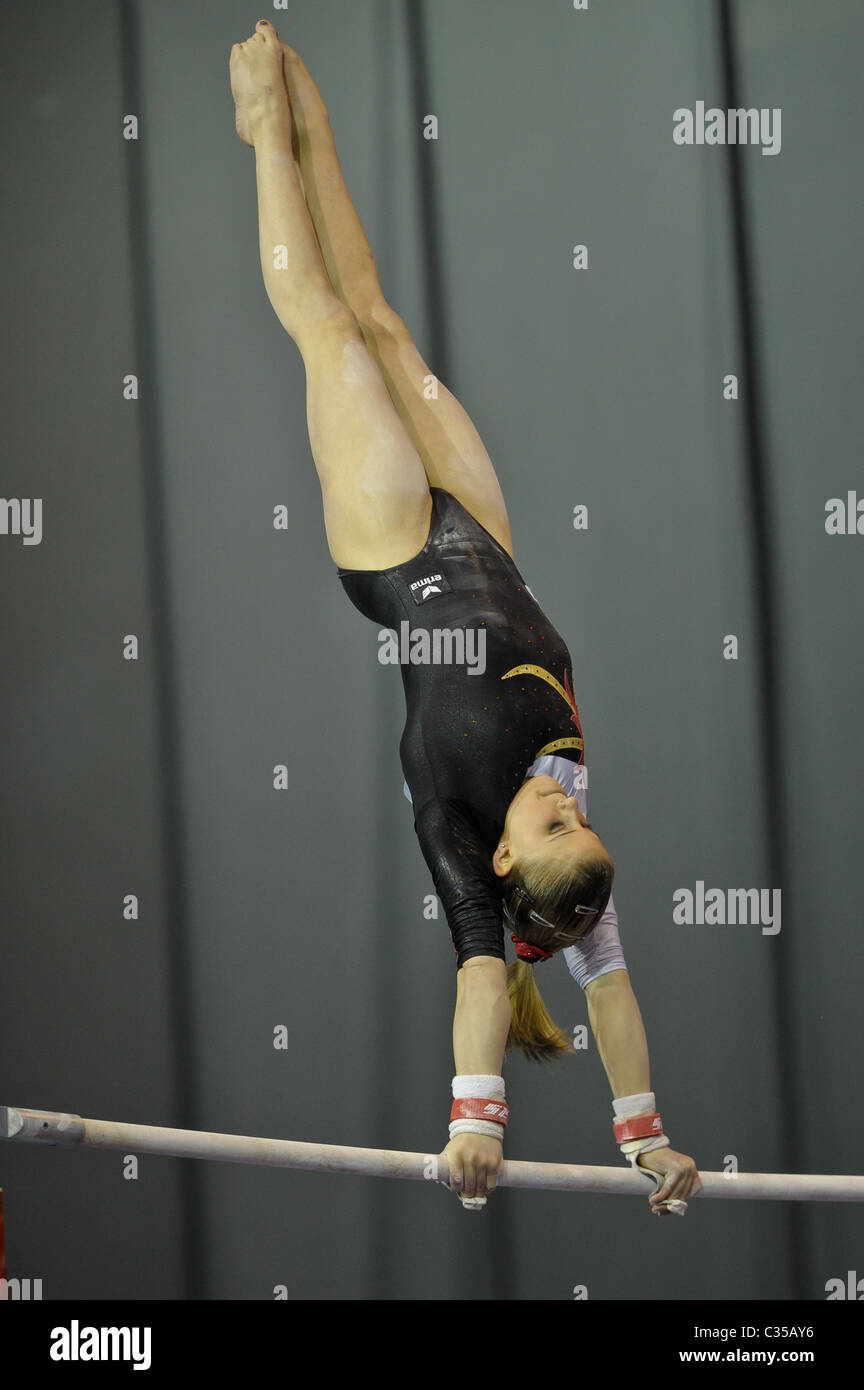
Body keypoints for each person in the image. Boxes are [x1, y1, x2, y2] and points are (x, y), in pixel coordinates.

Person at [229, 19, 701, 1214]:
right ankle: (314, 116)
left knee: (327, 330)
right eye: (577, 816)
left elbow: (485, 977)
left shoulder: (459, 824)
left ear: (502, 859)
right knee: (384, 321)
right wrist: (646, 1134)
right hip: (484, 535)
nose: (566, 801)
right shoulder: (575, 865)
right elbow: (610, 988)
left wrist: (475, 1116)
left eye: (548, 822)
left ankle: (256, 135)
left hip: (394, 552)